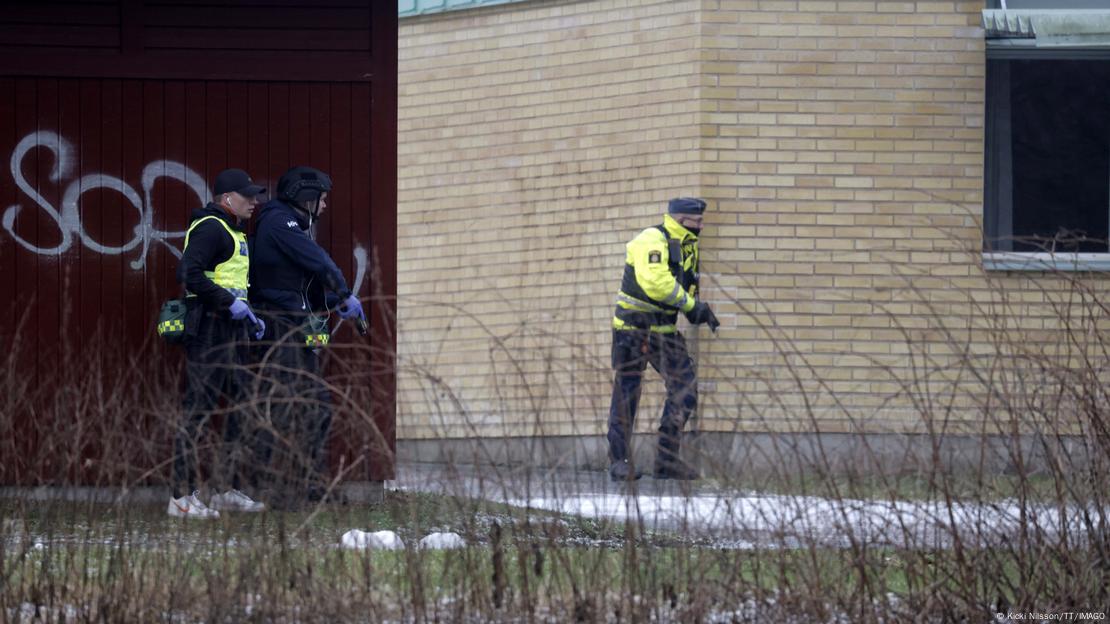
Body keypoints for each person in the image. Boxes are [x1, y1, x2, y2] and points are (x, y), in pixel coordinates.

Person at [249, 166, 365, 505]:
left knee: (315, 406)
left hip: (295, 325)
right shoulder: (278, 222)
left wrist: (332, 302)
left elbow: (298, 287)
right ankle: (275, 489)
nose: (325, 205)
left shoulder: (291, 226)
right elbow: (318, 261)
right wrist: (343, 292)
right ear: (306, 197)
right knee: (285, 406)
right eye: (322, 199)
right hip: (279, 327)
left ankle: (312, 484)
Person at [169, 168, 268, 519]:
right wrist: (230, 304)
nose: (254, 202)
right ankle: (180, 498)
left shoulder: (232, 230)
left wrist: (250, 316)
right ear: (227, 199)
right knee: (197, 411)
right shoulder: (211, 227)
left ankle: (226, 488)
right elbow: (189, 274)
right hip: (209, 329)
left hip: (232, 331)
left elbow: (232, 282)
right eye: (248, 196)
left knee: (239, 409)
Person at [607, 197, 720, 482]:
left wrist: (698, 309)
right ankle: (619, 461)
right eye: (697, 221)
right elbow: (656, 283)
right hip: (633, 329)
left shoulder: (687, 247)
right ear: (682, 220)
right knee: (627, 393)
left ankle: (666, 461)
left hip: (664, 331)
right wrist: (691, 306)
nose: (702, 226)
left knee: (685, 390)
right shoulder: (652, 238)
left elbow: (684, 284)